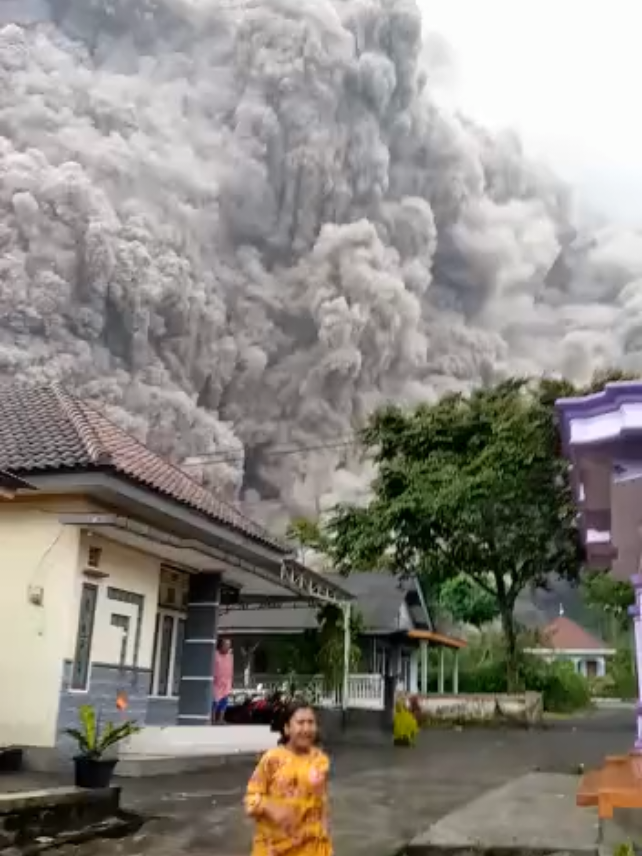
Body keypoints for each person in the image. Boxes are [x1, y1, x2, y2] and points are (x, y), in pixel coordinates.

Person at [244, 702, 332, 856]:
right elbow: (251, 798)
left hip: (311, 849)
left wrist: (326, 840)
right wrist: (269, 807)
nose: (306, 728)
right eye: (300, 722)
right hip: (274, 849)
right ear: (286, 728)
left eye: (311, 723)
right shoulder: (272, 759)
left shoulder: (320, 760)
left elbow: (321, 802)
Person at [212, 637, 233, 724]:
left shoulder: (229, 656)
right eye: (225, 645)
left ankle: (221, 719)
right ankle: (212, 719)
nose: (227, 647)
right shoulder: (215, 655)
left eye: (229, 645)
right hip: (216, 683)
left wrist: (230, 682)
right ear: (220, 645)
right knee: (214, 702)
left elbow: (230, 668)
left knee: (224, 702)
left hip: (226, 683)